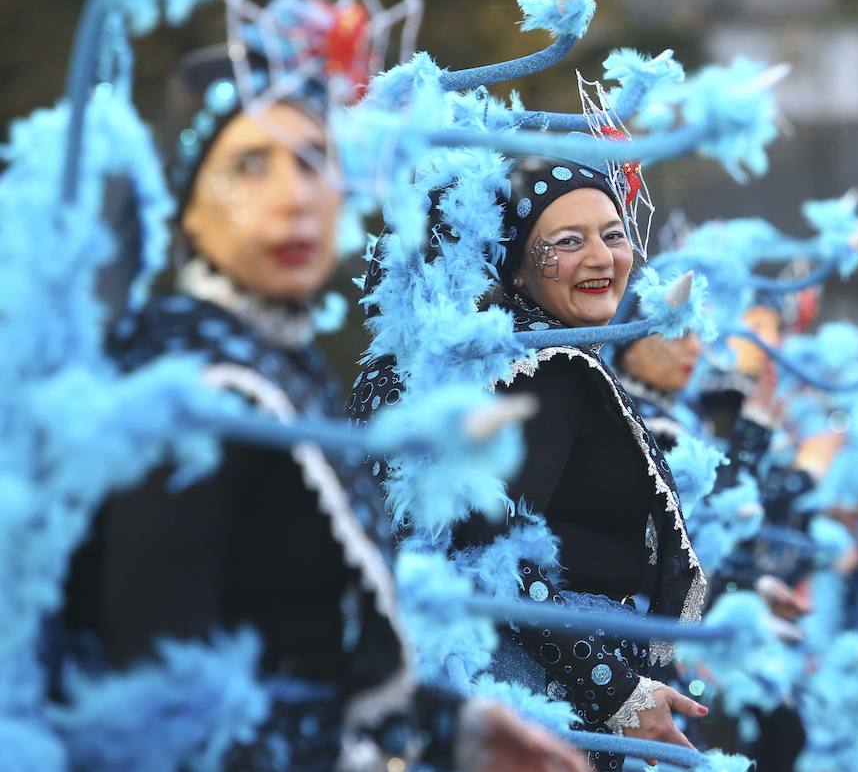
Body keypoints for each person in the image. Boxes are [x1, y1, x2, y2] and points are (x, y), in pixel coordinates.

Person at [59, 47, 585, 772]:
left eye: (314, 160)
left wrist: (448, 727)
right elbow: (157, 703)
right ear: (188, 198)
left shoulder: (278, 360)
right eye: (251, 164)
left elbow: (296, 643)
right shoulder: (184, 385)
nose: (293, 196)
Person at [352, 157, 710, 772]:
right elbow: (491, 556)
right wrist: (614, 689)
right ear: (517, 270)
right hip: (542, 692)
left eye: (613, 233)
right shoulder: (546, 371)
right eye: (568, 242)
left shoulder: (539, 359)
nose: (601, 258)